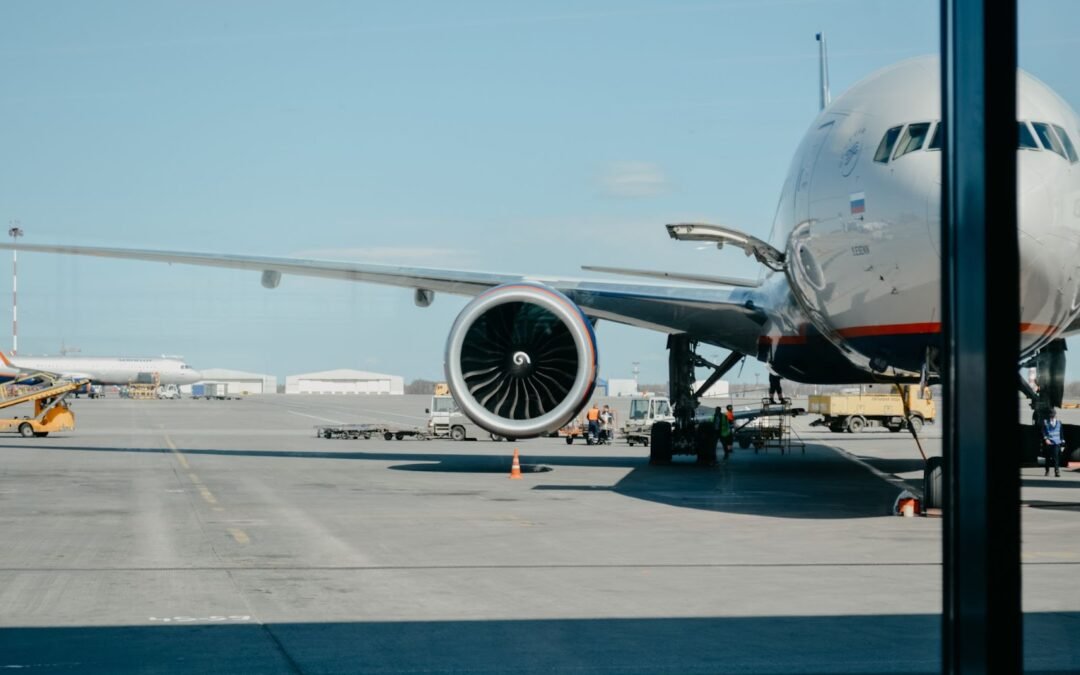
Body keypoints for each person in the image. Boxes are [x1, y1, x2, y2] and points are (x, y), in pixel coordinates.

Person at [1042, 407, 1064, 477]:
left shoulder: (1059, 422)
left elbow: (1061, 433)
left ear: (1055, 415)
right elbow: (1043, 432)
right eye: (1051, 416)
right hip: (1049, 442)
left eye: (1053, 415)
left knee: (1056, 457)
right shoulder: (1045, 422)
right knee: (1047, 458)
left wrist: (1062, 441)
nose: (1052, 417)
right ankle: (1047, 470)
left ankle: (1056, 471)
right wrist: (1046, 439)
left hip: (1057, 442)